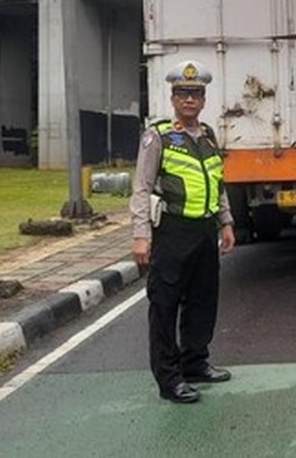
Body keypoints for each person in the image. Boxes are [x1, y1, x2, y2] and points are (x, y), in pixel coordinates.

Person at [130, 60, 236, 405]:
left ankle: (195, 363)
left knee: (203, 300)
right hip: (173, 231)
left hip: (205, 230)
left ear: (203, 100)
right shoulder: (158, 136)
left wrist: (226, 221)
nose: (189, 100)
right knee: (165, 305)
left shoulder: (207, 136)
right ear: (173, 98)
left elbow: (217, 182)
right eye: (183, 93)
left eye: (196, 94)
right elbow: (141, 188)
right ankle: (169, 378)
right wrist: (141, 234)